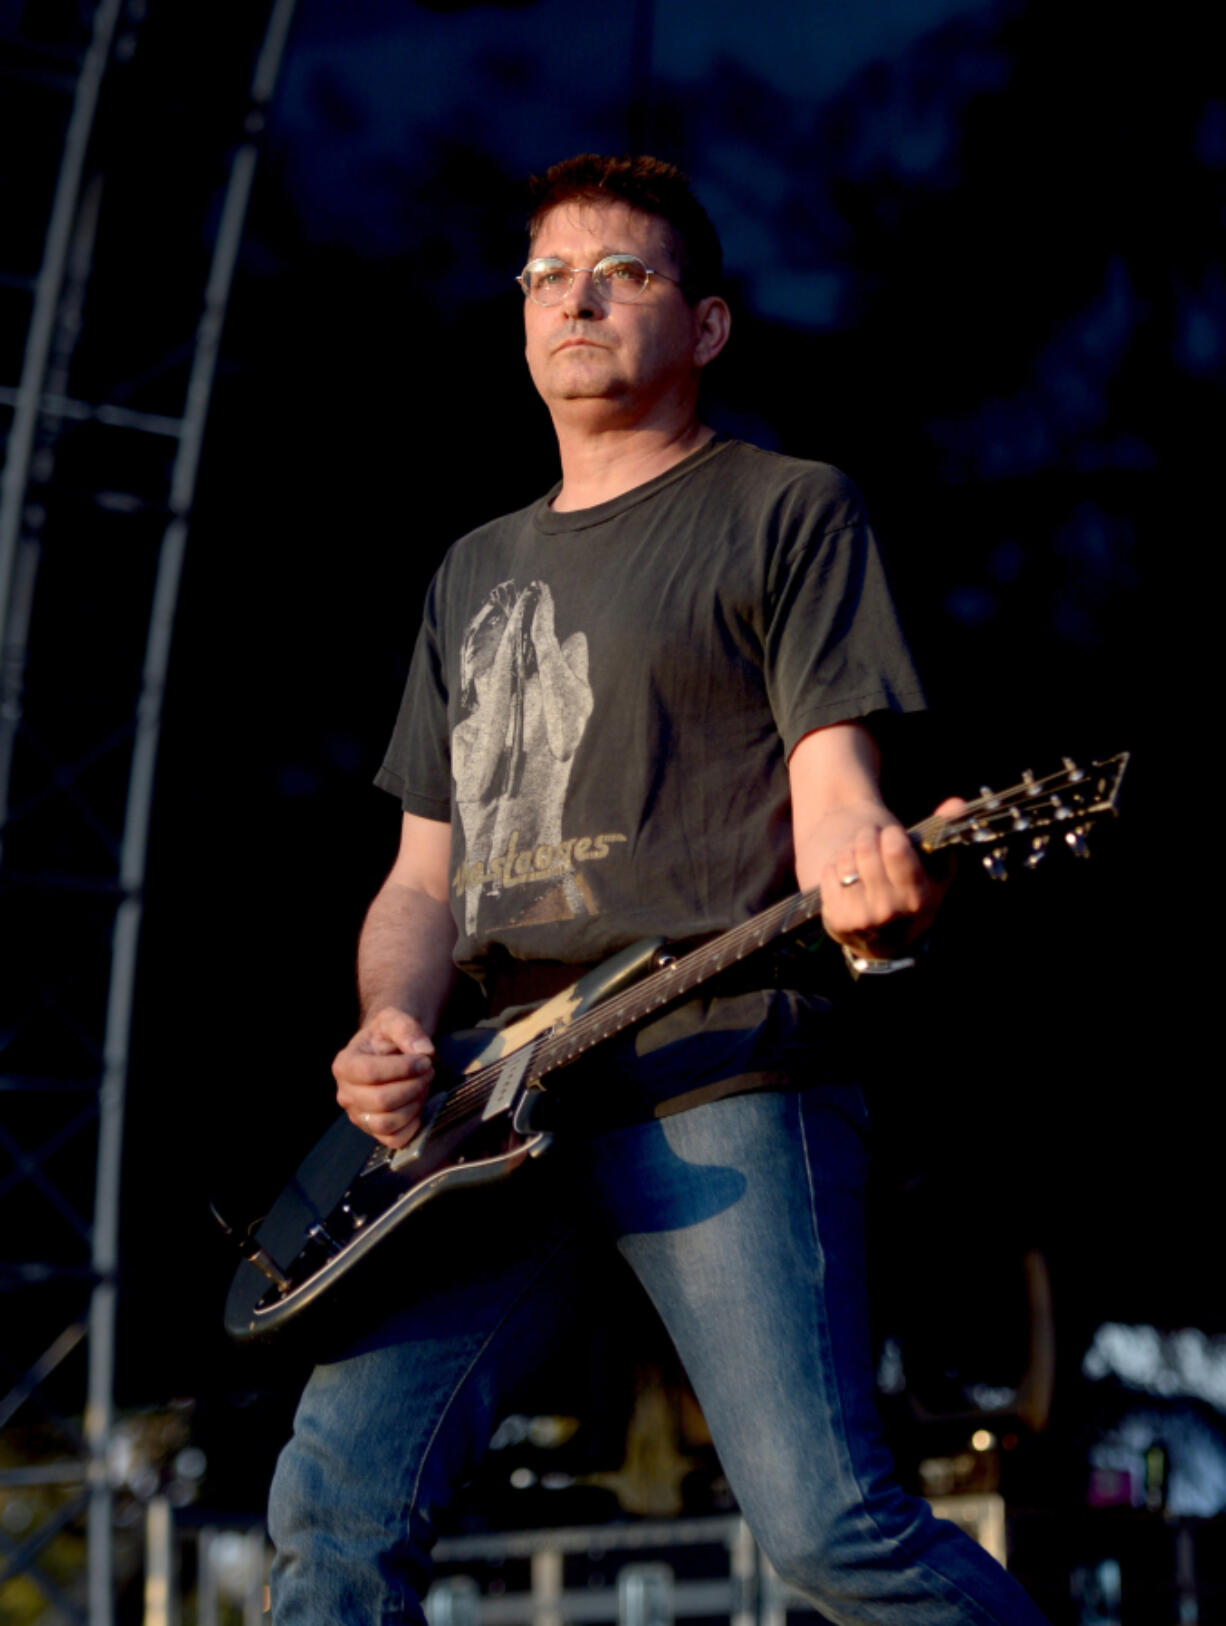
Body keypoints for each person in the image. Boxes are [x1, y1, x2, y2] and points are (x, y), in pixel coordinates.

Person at [268, 154, 1050, 1626]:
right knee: (333, 1504)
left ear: (702, 327)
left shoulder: (784, 508)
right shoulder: (469, 569)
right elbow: (421, 877)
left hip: (719, 1069)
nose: (573, 296)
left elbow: (834, 793)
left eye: (620, 272)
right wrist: (387, 1019)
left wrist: (877, 892)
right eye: (544, 275)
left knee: (829, 1528)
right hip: (481, 1113)